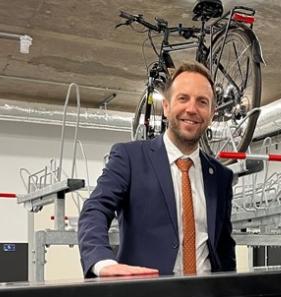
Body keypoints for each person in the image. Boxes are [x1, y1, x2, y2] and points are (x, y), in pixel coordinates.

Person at [78, 62, 236, 277]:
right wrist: (102, 262)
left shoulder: (220, 176)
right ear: (167, 106)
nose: (192, 109)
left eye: (202, 102)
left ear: (211, 113)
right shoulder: (130, 158)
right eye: (183, 98)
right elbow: (95, 209)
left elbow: (224, 247)